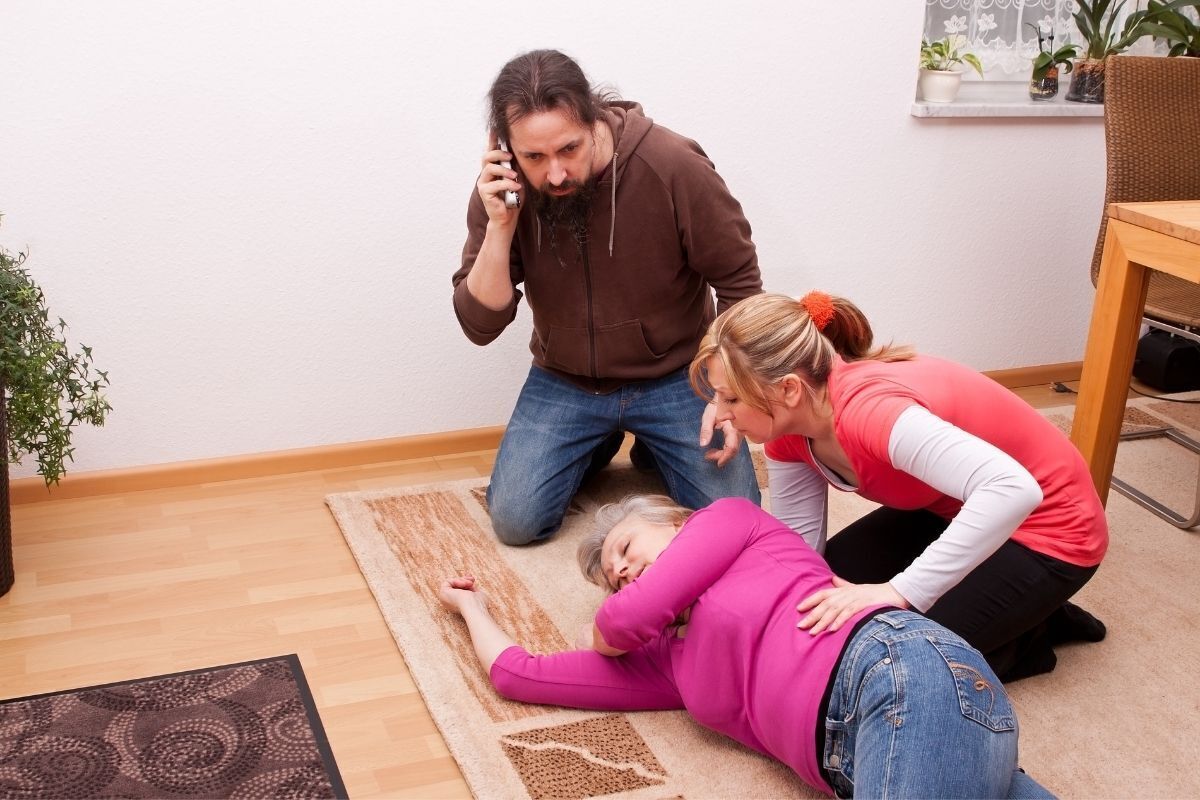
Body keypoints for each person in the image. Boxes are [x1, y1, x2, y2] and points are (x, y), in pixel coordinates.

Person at [438, 495, 1053, 798]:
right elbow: (520, 676)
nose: (621, 574)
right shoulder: (667, 664)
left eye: (625, 548)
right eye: (610, 578)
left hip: (895, 671)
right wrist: (473, 608)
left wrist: (604, 628)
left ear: (676, 522)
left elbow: (621, 623)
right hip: (879, 750)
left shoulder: (732, 524)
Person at [689, 291, 1109, 682]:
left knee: (891, 658)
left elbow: (1013, 489)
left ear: (788, 389)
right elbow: (799, 548)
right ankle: (1009, 603)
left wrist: (900, 591)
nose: (722, 414)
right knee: (823, 597)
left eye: (731, 399)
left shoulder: (871, 412)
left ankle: (1031, 634)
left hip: (1052, 531)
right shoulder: (788, 425)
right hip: (954, 509)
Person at [452, 49, 762, 546]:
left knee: (738, 522)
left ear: (593, 118)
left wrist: (727, 391)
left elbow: (741, 284)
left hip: (677, 378)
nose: (554, 174)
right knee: (515, 522)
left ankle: (653, 447)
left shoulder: (674, 164)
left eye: (568, 149)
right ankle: (600, 440)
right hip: (566, 382)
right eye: (534, 157)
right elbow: (479, 325)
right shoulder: (503, 193)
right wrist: (501, 227)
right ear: (505, 148)